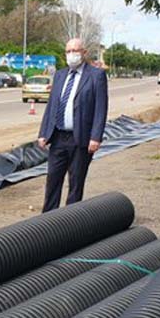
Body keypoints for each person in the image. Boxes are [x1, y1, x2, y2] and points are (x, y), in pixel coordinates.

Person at [37, 38, 109, 212]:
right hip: (59, 137)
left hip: (81, 139)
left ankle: (70, 221)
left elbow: (101, 108)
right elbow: (52, 106)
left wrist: (95, 137)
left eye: (75, 51)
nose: (71, 55)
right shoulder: (60, 75)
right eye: (68, 51)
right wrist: (43, 132)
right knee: (53, 179)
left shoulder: (96, 76)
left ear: (84, 53)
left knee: (76, 183)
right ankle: (47, 219)